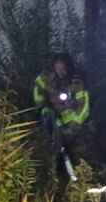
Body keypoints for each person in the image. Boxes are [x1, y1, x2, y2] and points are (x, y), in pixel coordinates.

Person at [33, 52, 90, 181]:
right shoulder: (47, 75)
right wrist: (42, 107)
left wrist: (72, 127)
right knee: (46, 142)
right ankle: (45, 172)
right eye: (58, 69)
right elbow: (38, 89)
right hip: (51, 115)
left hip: (70, 116)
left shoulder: (77, 80)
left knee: (71, 147)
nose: (61, 72)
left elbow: (83, 106)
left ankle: (72, 175)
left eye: (64, 69)